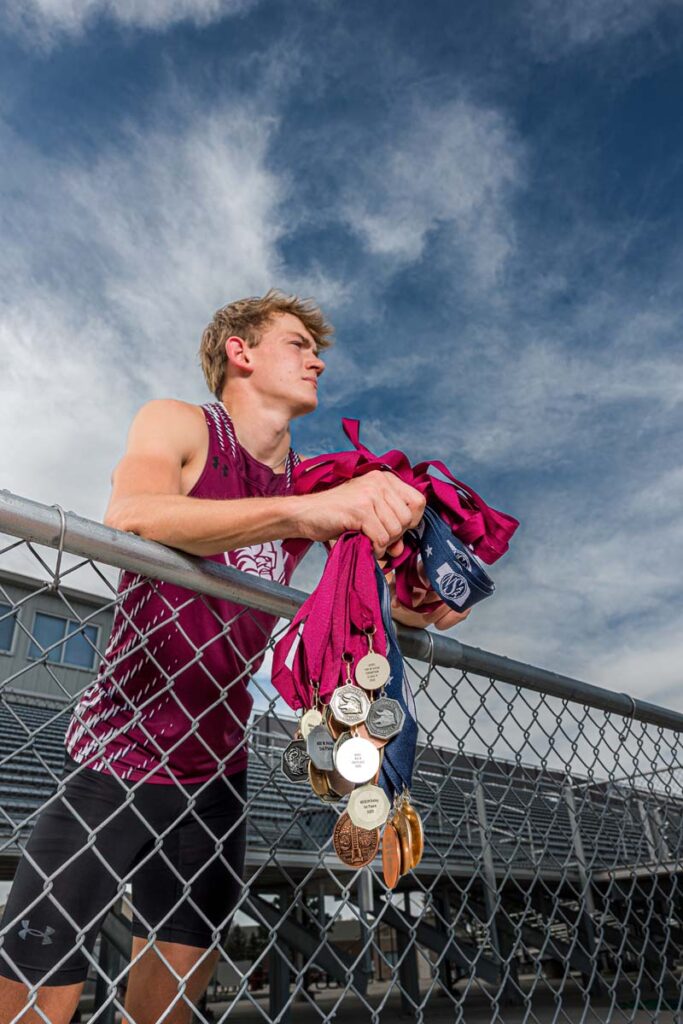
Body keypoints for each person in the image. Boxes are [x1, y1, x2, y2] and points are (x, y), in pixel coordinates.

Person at [0, 289, 469, 1024]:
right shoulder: (183, 424)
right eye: (296, 344)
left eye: (317, 351)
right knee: (33, 1001)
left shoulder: (310, 480)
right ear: (239, 352)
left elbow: (358, 606)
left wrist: (430, 595)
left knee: (170, 1008)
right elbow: (134, 513)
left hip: (217, 770)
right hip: (114, 755)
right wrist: (304, 513)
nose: (316, 359)